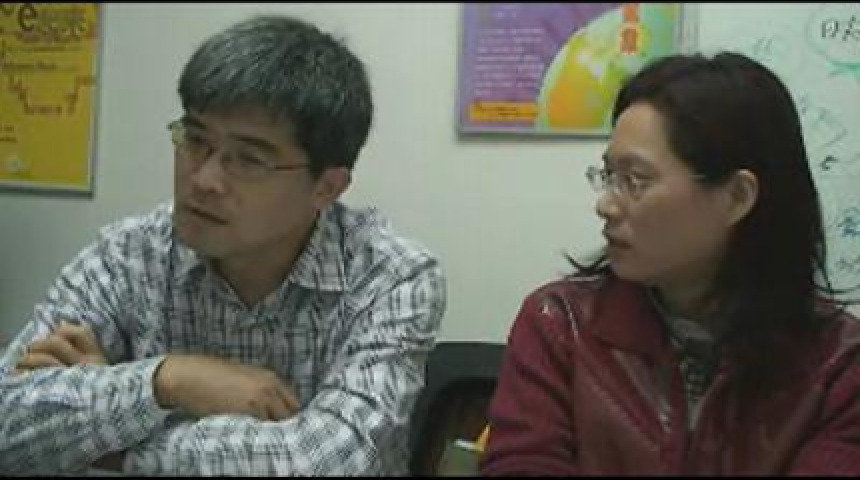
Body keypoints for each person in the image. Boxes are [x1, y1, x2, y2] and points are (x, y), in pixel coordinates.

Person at [0, 14, 446, 475]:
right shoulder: (127, 255)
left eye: (249, 159)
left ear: (326, 187)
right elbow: (7, 423)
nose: (204, 179)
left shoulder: (392, 276)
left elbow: (325, 463)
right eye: (195, 140)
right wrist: (169, 377)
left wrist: (108, 443)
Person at [480, 51, 860, 475]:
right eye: (608, 175)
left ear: (736, 197)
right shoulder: (559, 326)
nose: (606, 205)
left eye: (634, 180)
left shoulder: (840, 366)